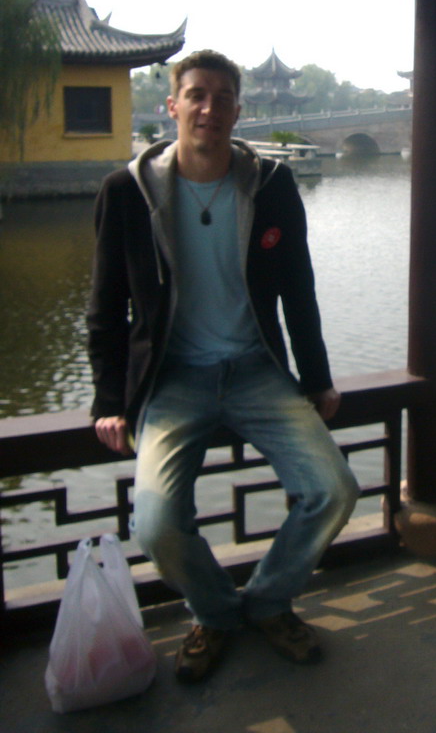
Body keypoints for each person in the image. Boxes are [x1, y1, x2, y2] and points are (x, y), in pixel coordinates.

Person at [88, 49, 359, 683]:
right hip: (173, 377)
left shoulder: (270, 185)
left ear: (240, 108)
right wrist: (109, 400)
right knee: (155, 524)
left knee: (335, 490)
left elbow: (298, 288)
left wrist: (317, 378)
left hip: (256, 368)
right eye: (197, 95)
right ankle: (214, 611)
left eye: (223, 98)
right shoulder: (126, 191)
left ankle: (266, 603)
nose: (210, 108)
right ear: (173, 104)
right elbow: (105, 307)